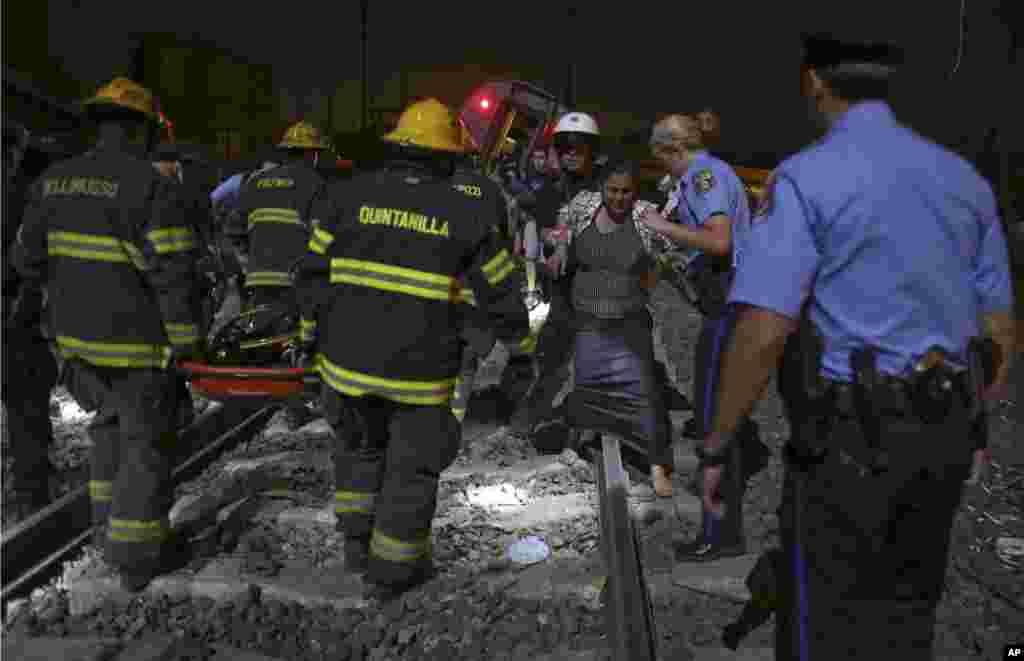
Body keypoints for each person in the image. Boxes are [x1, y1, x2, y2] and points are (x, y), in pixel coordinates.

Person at [700, 33, 1016, 658]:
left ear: (815, 81)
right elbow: (1000, 331)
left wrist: (719, 444)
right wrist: (973, 432)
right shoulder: (965, 184)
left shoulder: (806, 179)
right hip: (943, 437)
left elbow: (764, 329)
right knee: (908, 613)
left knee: (830, 621)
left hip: (849, 446)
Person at [294, 98, 529, 600]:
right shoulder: (466, 212)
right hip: (420, 374)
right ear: (447, 157)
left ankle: (357, 548)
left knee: (357, 455)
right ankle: (393, 574)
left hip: (346, 367)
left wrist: (310, 341)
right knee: (411, 470)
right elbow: (503, 290)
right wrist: (520, 347)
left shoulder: (344, 197)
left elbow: (310, 279)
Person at [11, 78, 203, 590]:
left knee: (107, 426)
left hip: (75, 345)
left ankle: (104, 531)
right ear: (141, 131)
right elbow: (174, 276)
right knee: (146, 440)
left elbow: (25, 260)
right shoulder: (153, 188)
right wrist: (187, 344)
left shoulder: (51, 182)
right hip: (138, 346)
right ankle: (138, 556)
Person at [642, 112, 769, 560]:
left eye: (662, 160)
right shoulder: (710, 175)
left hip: (732, 307)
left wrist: (662, 227)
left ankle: (720, 533)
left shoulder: (703, 176)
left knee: (715, 416)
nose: (663, 170)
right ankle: (720, 525)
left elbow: (718, 242)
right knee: (713, 409)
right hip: (730, 305)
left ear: (671, 150)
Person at [555, 159, 679, 496]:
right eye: (613, 190)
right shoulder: (584, 206)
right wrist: (562, 245)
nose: (620, 198)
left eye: (626, 191)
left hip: (628, 326)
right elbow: (562, 221)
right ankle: (578, 441)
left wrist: (651, 276)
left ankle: (656, 465)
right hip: (590, 323)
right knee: (586, 384)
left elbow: (670, 252)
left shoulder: (646, 216)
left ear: (635, 192)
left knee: (642, 394)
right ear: (602, 189)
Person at [510, 112, 602, 438]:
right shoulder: (548, 192)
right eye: (564, 147)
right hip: (562, 294)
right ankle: (527, 427)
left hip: (598, 297)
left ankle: (593, 436)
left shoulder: (607, 193)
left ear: (592, 150)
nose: (570, 153)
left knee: (596, 367)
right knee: (550, 358)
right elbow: (536, 235)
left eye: (578, 147)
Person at [3, 116, 60, 520]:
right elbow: (28, 260)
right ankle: (32, 496)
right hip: (12, 320)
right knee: (27, 402)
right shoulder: (20, 197)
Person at [232, 122, 327, 315]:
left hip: (258, 279)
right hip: (295, 280)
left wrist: (249, 264)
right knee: (291, 337)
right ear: (312, 154)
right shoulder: (315, 184)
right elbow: (322, 235)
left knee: (263, 334)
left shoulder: (256, 181)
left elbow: (234, 229)